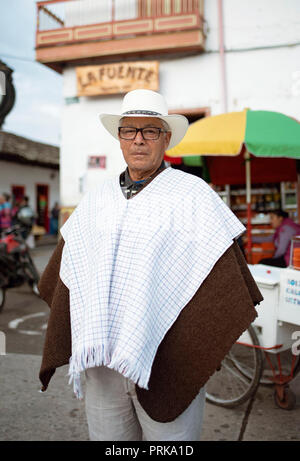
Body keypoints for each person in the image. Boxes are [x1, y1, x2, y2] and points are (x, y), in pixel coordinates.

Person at [38, 89, 262, 441]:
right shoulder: (96, 199)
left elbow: (221, 275)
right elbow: (68, 272)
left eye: (150, 131)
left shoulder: (193, 195)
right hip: (102, 362)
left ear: (166, 138)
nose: (139, 140)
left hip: (170, 358)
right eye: (129, 130)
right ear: (120, 138)